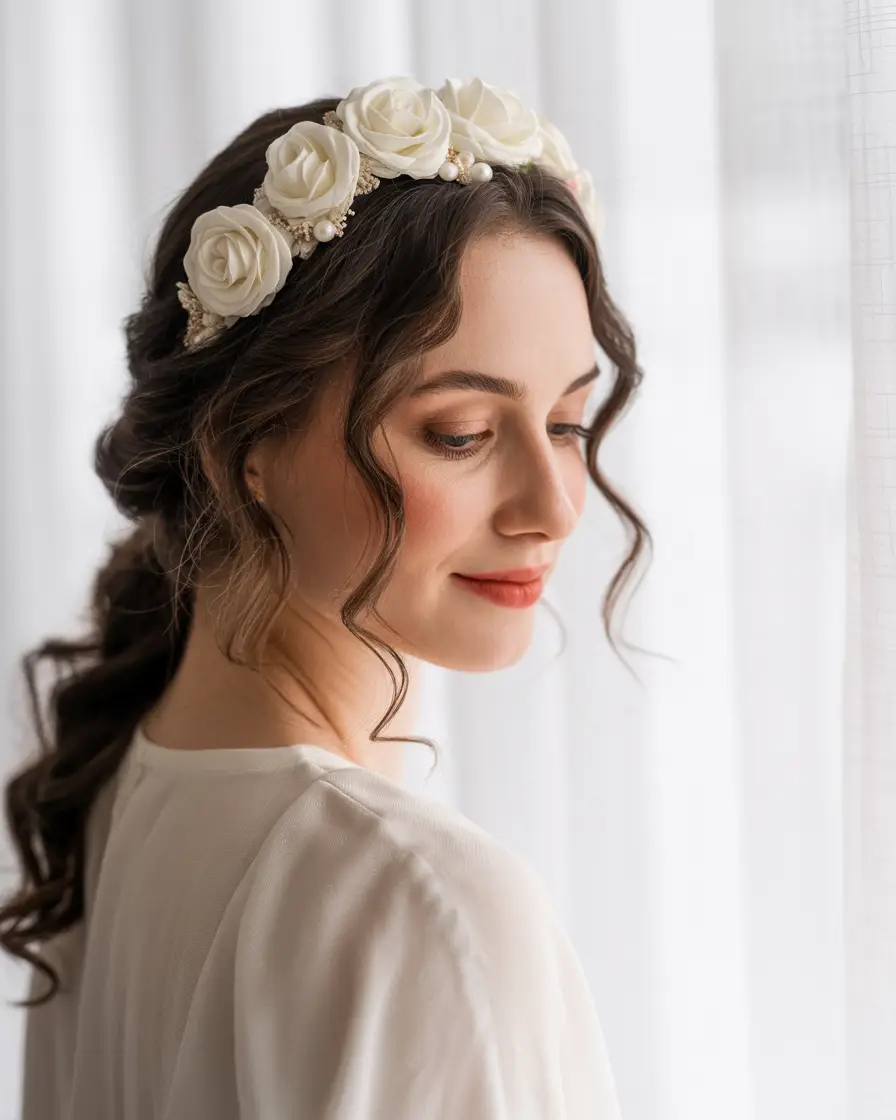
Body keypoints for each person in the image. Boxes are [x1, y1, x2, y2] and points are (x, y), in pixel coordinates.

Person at [0, 74, 650, 1118]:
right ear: (239, 446)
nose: (555, 506)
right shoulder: (424, 907)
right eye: (460, 433)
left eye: (567, 422)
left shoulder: (115, 788)